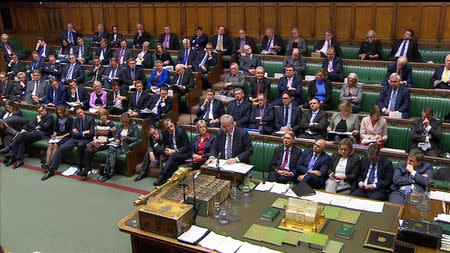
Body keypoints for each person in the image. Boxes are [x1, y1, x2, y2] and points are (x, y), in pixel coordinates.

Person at [42, 107, 95, 181]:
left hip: (86, 139)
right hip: (74, 139)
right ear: (76, 114)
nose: (81, 114)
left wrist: (79, 133)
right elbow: (73, 134)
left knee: (81, 145)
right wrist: (83, 132)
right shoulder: (75, 121)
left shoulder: (90, 119)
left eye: (81, 112)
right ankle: (52, 169)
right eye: (78, 113)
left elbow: (91, 133)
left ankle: (82, 169)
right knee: (61, 148)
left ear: (83, 111)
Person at [0, 104, 54, 169]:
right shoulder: (38, 115)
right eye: (39, 111)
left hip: (43, 134)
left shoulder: (49, 117)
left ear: (45, 109)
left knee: (22, 134)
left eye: (41, 111)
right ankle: (19, 160)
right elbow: (31, 125)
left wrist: (39, 121)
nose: (40, 113)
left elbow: (45, 127)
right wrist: (38, 126)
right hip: (35, 132)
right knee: (22, 138)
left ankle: (9, 147)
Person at [100, 112, 139, 182]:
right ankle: (111, 169)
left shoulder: (133, 126)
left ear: (129, 120)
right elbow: (116, 136)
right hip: (118, 144)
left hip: (126, 146)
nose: (124, 123)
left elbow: (136, 138)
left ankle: (107, 173)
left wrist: (125, 138)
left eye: (125, 122)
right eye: (123, 121)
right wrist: (117, 139)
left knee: (111, 153)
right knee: (111, 148)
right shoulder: (121, 126)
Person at [153, 118, 192, 186]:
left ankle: (162, 176)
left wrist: (174, 151)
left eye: (171, 126)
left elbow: (186, 147)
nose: (170, 128)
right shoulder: (166, 133)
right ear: (166, 128)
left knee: (173, 156)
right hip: (175, 156)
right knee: (174, 162)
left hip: (186, 154)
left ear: (173, 124)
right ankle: (174, 180)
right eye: (168, 128)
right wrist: (166, 150)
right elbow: (165, 145)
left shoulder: (181, 132)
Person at [83, 108, 117, 180]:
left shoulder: (111, 124)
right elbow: (95, 135)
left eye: (105, 115)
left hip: (106, 143)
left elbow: (115, 137)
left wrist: (105, 140)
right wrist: (95, 140)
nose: (103, 116)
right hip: (97, 142)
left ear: (107, 115)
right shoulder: (97, 123)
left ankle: (86, 169)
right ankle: (87, 169)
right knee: (90, 149)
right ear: (99, 116)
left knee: (88, 146)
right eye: (102, 115)